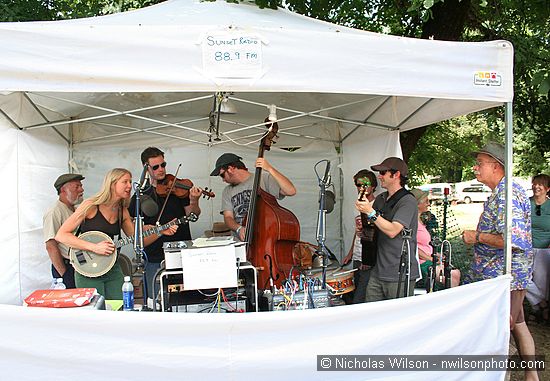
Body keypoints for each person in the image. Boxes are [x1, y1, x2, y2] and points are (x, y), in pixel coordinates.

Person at [461, 142, 538, 381]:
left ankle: (497, 375)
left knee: (503, 328)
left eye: (480, 163)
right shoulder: (500, 193)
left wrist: (477, 237)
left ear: (496, 166)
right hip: (500, 274)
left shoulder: (508, 194)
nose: (475, 168)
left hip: (508, 275)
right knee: (519, 324)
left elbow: (513, 240)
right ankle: (532, 375)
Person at [55, 168, 163, 299]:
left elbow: (138, 241)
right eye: (125, 182)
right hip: (88, 270)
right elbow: (61, 235)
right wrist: (95, 247)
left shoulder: (122, 211)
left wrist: (160, 232)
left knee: (120, 307)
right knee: (96, 310)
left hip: (112, 268)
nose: (130, 186)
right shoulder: (91, 205)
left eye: (130, 181)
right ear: (112, 184)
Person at [129, 147, 200, 299]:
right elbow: (136, 232)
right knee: (157, 300)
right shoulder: (140, 196)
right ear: (146, 168)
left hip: (183, 253)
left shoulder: (178, 188)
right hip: (155, 258)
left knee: (186, 299)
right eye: (156, 167)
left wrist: (194, 200)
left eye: (163, 165)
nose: (161, 169)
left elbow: (193, 216)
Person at [355, 157, 419, 301]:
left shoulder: (408, 200)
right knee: (372, 315)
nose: (379, 176)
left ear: (396, 175)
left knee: (398, 319)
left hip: (399, 272)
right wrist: (364, 230)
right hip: (377, 270)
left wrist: (370, 212)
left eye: (383, 172)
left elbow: (393, 230)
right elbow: (376, 227)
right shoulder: (381, 198)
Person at [210, 153, 296, 241]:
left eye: (222, 175)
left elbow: (291, 191)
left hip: (265, 238)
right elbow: (228, 217)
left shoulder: (263, 179)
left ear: (231, 169)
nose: (223, 180)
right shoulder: (227, 191)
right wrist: (238, 228)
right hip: (241, 242)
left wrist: (270, 169)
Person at [410, 188, 460, 289]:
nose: (429, 204)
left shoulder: (419, 220)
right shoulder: (412, 223)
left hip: (427, 259)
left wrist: (436, 255)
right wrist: (431, 258)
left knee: (455, 272)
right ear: (417, 204)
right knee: (453, 275)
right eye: (426, 201)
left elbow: (423, 245)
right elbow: (412, 246)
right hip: (421, 264)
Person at [43, 173, 85, 289]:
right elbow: (51, 246)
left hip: (80, 264)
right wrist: (64, 274)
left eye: (81, 186)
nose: (82, 189)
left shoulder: (77, 210)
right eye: (77, 187)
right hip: (66, 266)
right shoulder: (54, 212)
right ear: (63, 190)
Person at [343, 169, 378, 304]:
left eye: (365, 184)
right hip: (357, 255)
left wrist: (367, 259)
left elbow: (374, 234)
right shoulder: (357, 205)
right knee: (354, 290)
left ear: (373, 186)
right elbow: (357, 232)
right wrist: (351, 252)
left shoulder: (376, 205)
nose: (362, 188)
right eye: (358, 185)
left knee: (360, 298)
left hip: (368, 257)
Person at [526, 174, 550, 322]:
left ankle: (537, 312)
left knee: (541, 282)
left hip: (545, 249)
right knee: (522, 277)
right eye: (534, 184)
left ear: (548, 189)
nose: (536, 187)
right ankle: (542, 303)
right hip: (526, 247)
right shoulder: (526, 203)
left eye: (540, 184)